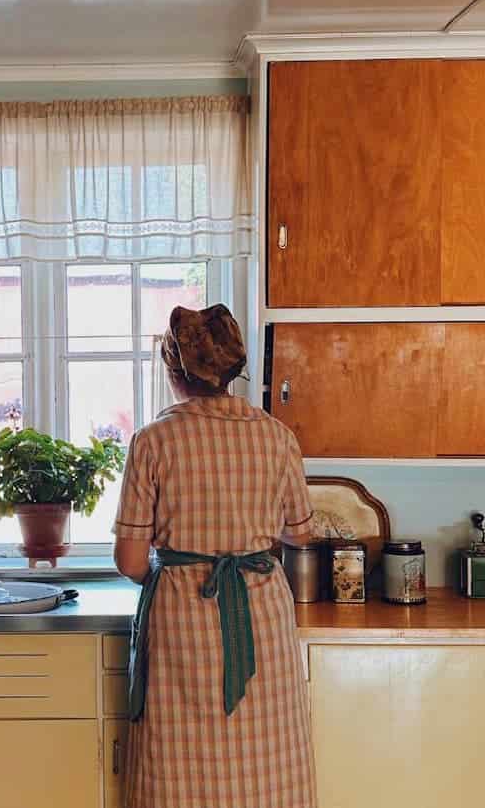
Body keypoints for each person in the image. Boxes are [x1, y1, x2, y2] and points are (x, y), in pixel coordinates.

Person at [112, 304, 316, 808]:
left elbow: (131, 562)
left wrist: (181, 563)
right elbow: (301, 535)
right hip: (261, 618)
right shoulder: (276, 436)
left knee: (180, 770)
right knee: (263, 764)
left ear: (174, 369)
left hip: (182, 622)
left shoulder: (152, 441)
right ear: (231, 369)